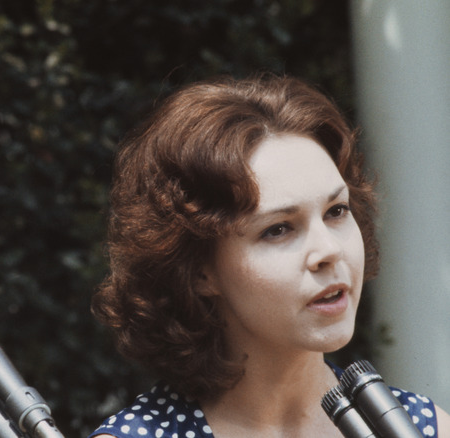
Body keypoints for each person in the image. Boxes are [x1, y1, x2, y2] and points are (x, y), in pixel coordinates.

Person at [88, 75, 450, 438]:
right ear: (198, 270)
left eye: (337, 211)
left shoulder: (423, 425)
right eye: (278, 229)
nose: (329, 250)